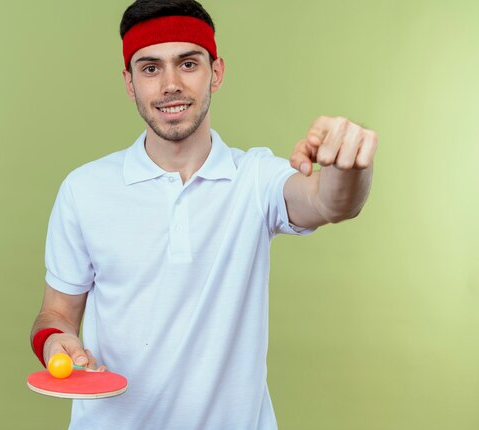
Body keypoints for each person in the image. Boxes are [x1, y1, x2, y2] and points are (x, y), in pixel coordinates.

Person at [30, 1, 378, 428]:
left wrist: (349, 163)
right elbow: (56, 314)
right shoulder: (83, 190)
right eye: (150, 68)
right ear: (129, 82)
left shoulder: (255, 178)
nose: (170, 85)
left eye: (188, 63)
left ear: (216, 72)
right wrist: (56, 341)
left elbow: (331, 202)